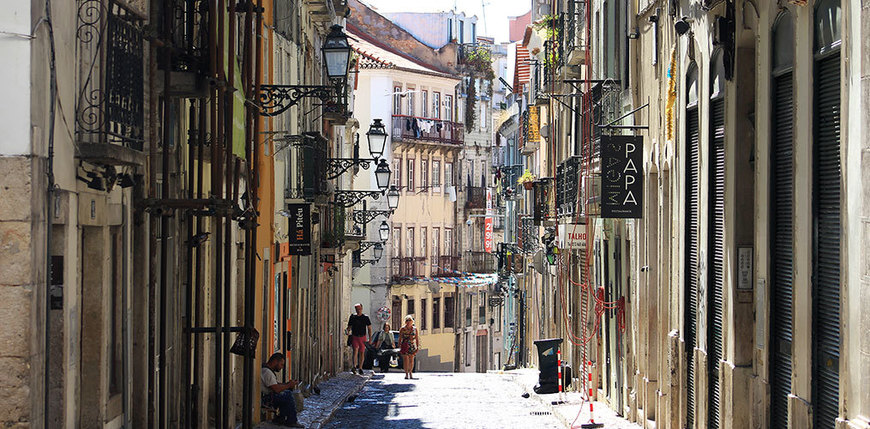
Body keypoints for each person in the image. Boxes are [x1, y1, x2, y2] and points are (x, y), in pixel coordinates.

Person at [261, 353, 303, 428]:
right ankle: (291, 420)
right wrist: (288, 385)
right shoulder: (267, 372)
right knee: (288, 395)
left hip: (268, 397)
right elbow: (276, 389)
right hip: (265, 400)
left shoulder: (267, 371)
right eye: (281, 364)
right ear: (275, 361)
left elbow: (275, 384)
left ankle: (281, 418)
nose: (282, 367)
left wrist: (287, 384)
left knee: (286, 393)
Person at [346, 303, 372, 374]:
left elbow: (369, 328)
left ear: (362, 309)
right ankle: (354, 366)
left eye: (359, 309)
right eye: (357, 309)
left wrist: (370, 338)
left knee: (362, 352)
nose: (358, 310)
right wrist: (347, 331)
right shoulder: (353, 317)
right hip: (355, 336)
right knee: (355, 351)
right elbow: (349, 326)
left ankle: (360, 367)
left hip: (363, 337)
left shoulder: (365, 317)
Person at [398, 315, 420, 379]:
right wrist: (399, 346)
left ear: (412, 321)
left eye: (409, 320)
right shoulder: (402, 329)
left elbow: (416, 338)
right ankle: (406, 373)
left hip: (412, 345)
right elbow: (400, 338)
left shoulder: (415, 329)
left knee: (411, 359)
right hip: (405, 345)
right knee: (405, 360)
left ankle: (410, 372)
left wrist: (417, 346)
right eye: (407, 320)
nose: (408, 322)